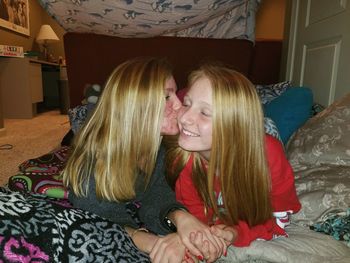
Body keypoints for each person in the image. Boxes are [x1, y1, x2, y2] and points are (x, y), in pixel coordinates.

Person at [63, 57, 226, 263]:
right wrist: (155, 243)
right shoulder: (90, 169)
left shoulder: (160, 146)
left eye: (176, 94)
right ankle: (91, 104)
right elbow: (101, 223)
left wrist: (181, 218)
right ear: (136, 106)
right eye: (167, 97)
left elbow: (157, 193)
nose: (179, 106)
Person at [165, 63, 302, 256]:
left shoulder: (268, 155)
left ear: (233, 125)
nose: (185, 117)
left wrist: (236, 232)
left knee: (273, 125)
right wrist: (205, 237)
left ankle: (266, 120)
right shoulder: (184, 157)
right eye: (187, 103)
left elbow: (279, 216)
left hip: (256, 140)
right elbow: (194, 213)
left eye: (204, 112)